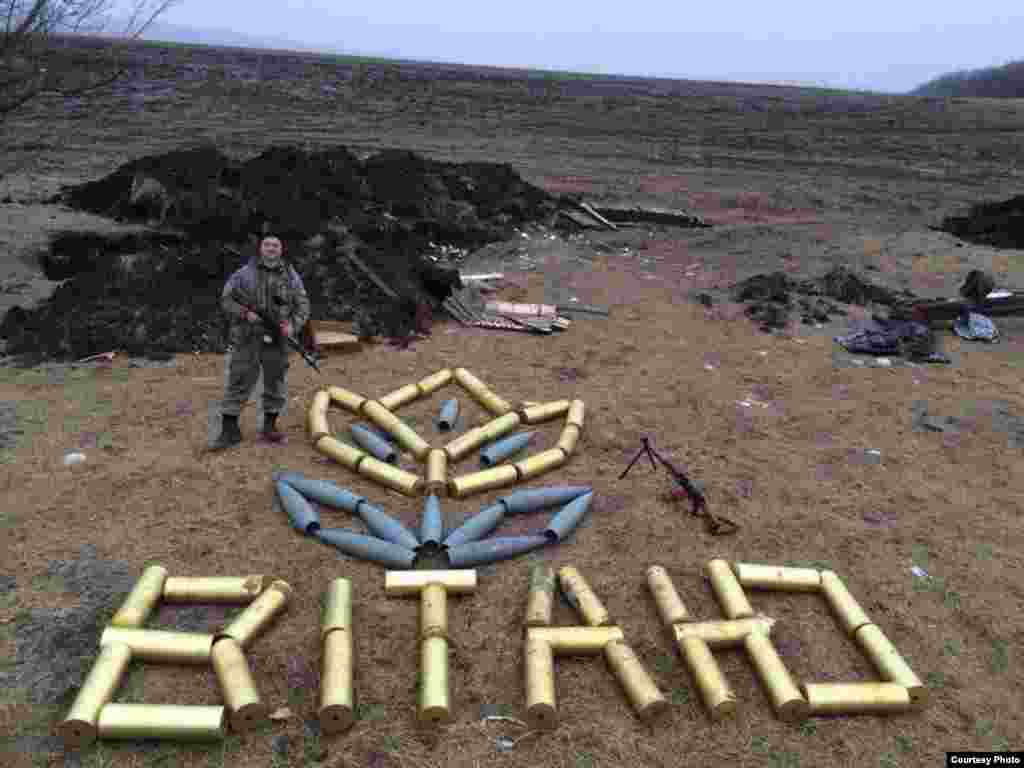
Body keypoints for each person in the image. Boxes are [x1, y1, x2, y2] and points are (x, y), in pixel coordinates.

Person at [210, 235, 310, 451]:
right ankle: (229, 431)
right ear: (260, 248)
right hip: (248, 337)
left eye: (275, 245)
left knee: (275, 382)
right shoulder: (243, 275)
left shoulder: (291, 277)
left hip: (277, 339)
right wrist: (245, 314)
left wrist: (292, 327)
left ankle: (269, 428)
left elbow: (302, 305)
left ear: (281, 249)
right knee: (239, 380)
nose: (271, 248)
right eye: (267, 245)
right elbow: (226, 300)